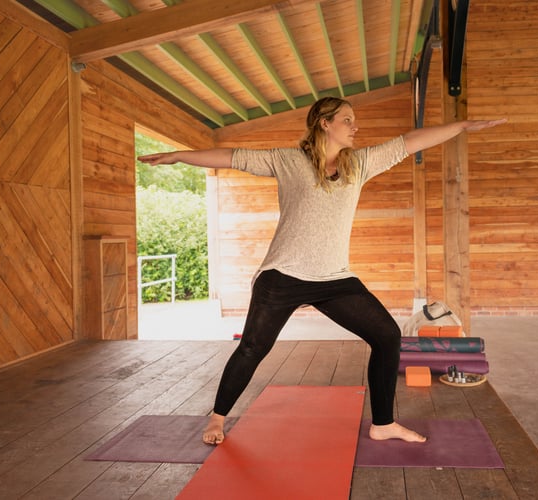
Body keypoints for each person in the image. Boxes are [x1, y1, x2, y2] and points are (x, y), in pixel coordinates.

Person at [138, 97, 506, 445]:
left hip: (334, 278)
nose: (355, 127)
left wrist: (461, 126)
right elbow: (232, 157)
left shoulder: (359, 164)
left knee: (387, 336)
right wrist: (180, 156)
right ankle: (217, 417)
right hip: (283, 275)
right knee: (252, 347)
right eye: (347, 120)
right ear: (325, 123)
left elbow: (409, 142)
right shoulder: (287, 161)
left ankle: (383, 424)